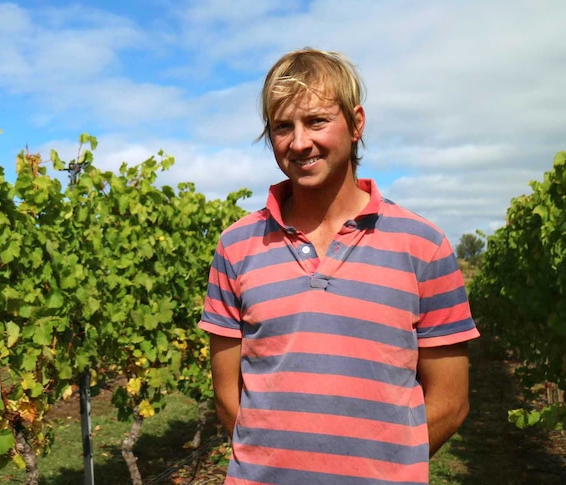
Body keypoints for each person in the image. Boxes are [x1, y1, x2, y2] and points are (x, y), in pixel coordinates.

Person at [198, 47, 480, 484]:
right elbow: (226, 398)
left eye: (316, 121)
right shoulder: (236, 246)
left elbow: (451, 401)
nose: (299, 142)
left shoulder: (424, 246)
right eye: (282, 127)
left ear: (356, 124)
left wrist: (386, 470)